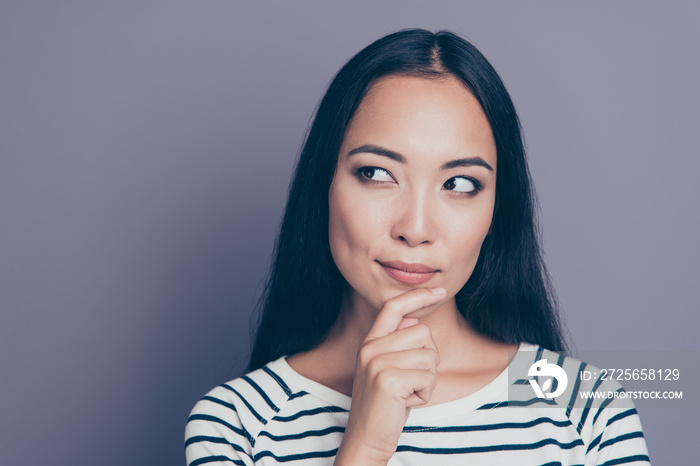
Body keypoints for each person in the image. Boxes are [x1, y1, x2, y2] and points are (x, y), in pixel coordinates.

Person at [185, 29, 650, 465]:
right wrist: (365, 446)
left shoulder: (586, 407)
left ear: (496, 213)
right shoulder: (237, 425)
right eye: (376, 173)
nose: (416, 227)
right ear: (323, 185)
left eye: (460, 183)